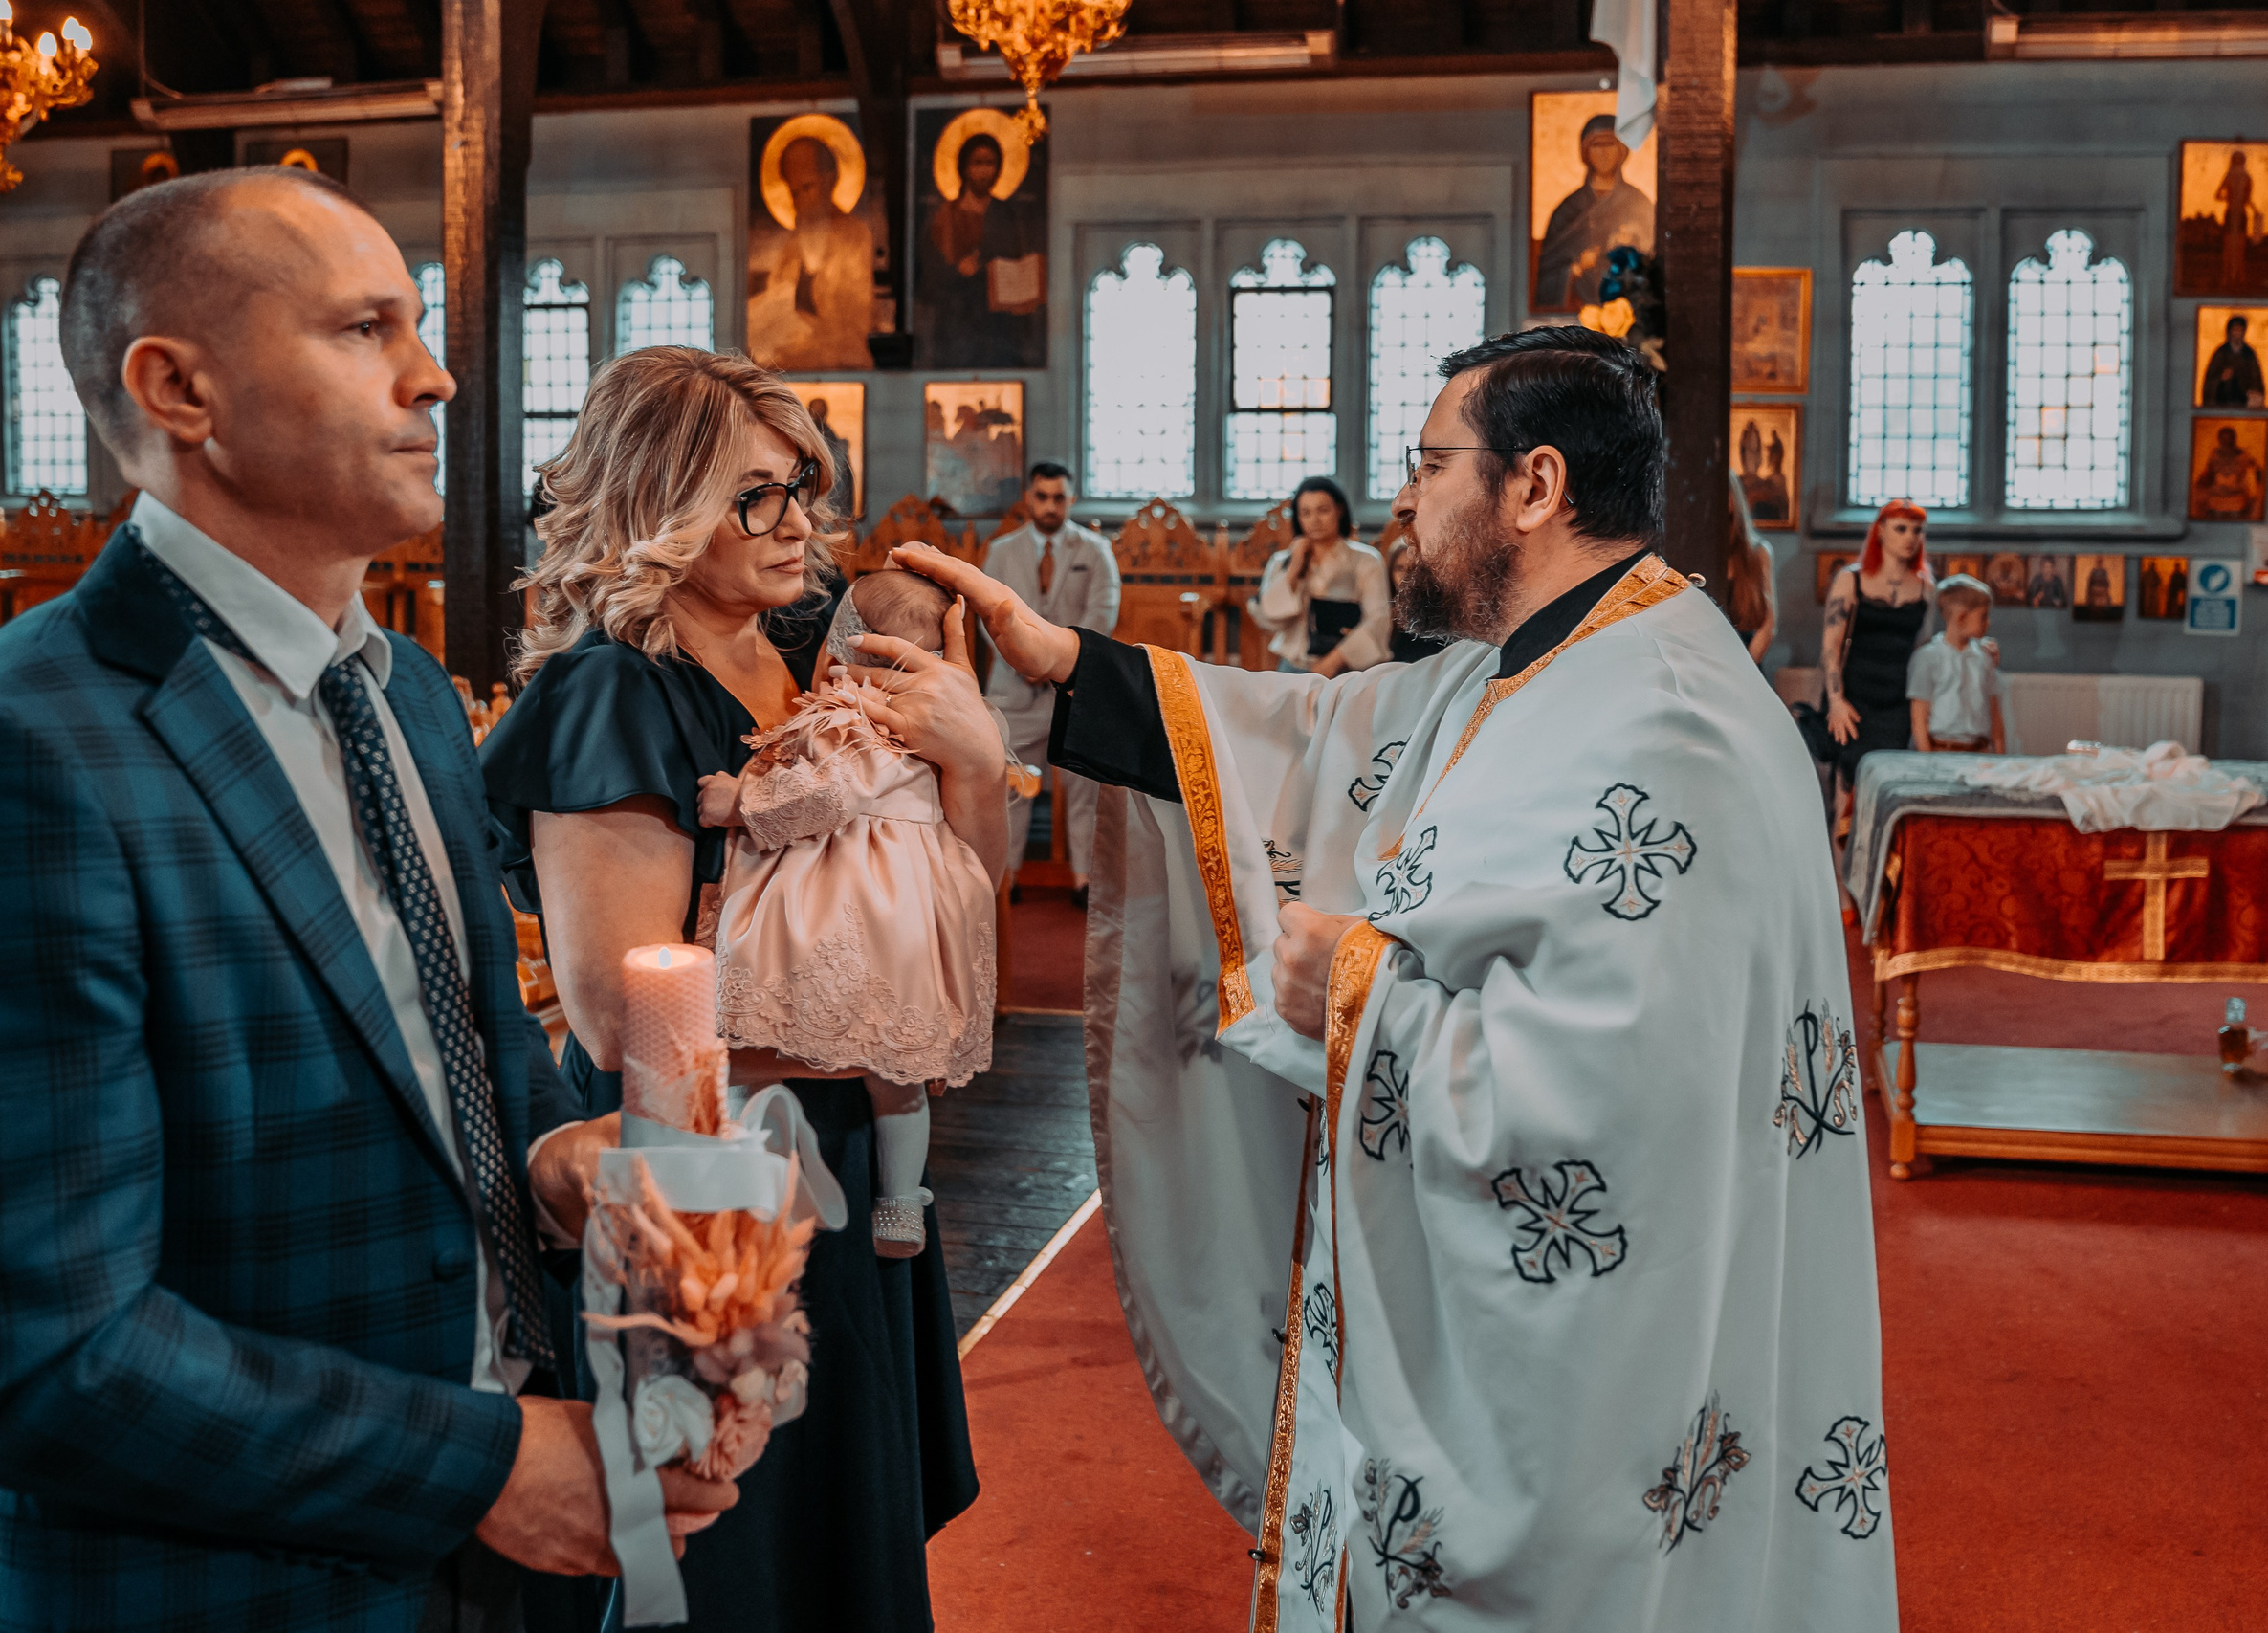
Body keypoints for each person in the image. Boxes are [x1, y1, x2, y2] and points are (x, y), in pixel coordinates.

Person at [0, 166, 739, 1629]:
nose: (434, 374)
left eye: (419, 326)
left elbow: (465, 1065)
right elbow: (23, 1359)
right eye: (367, 328)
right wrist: (485, 1463)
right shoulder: (1, 759)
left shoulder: (413, 700)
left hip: (464, 1572)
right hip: (185, 1584)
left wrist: (559, 1167)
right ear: (179, 388)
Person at [877, 326, 1895, 1632]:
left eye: (1430, 464)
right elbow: (1310, 736)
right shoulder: (1541, 659)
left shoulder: (1667, 719)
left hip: (1600, 1383)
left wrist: (1354, 990)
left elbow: (1616, 1096)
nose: (1404, 501)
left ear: (1534, 486)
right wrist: (1064, 662)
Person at [476, 345, 989, 1632]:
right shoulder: (615, 691)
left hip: (854, 1150)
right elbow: (619, 1012)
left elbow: (952, 883)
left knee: (840, 1541)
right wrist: (880, 1029)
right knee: (735, 1557)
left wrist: (976, 758)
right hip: (713, 1180)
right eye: (757, 494)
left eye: (803, 488)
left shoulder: (835, 655)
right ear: (659, 501)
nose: (798, 521)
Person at [697, 571, 1006, 1259]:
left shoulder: (854, 717)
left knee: (751, 1055)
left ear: (845, 647)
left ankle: (759, 1169)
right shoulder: (935, 719)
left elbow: (823, 795)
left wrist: (741, 801)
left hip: (852, 895)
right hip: (915, 911)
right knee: (896, 1077)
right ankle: (899, 1201)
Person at [980, 461, 1119, 900]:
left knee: (1084, 789)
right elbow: (988, 615)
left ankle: (1084, 880)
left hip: (1075, 689)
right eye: (1042, 496)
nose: (1051, 506)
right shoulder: (1002, 551)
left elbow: (1102, 613)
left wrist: (1057, 662)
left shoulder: (1095, 551)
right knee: (1008, 786)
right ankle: (1007, 876)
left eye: (1059, 497)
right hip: (1014, 688)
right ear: (1028, 497)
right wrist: (1024, 658)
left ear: (1071, 499)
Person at [1822, 500, 1934, 825]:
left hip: (1897, 704)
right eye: (1900, 528)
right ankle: (1840, 878)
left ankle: (1877, 875)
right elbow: (1830, 646)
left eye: (1917, 530)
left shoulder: (1927, 588)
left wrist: (1978, 648)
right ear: (1881, 531)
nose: (1909, 537)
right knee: (1847, 795)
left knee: (1887, 792)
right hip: (1853, 702)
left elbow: (1925, 651)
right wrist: (1835, 700)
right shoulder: (1850, 580)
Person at [747, 137, 875, 371]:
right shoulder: (791, 247)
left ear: (830, 180)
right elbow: (773, 310)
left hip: (842, 363)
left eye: (807, 187)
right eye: (793, 193)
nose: (799, 202)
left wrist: (811, 328)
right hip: (791, 366)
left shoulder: (855, 236)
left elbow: (857, 317)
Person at [920, 131, 1045, 369]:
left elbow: (1018, 261)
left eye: (990, 163)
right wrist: (958, 273)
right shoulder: (945, 218)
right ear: (964, 168)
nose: (985, 171)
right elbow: (930, 277)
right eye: (978, 163)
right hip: (958, 326)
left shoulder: (1007, 215)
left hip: (1001, 327)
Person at [1247, 475, 1391, 676]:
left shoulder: (1366, 560)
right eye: (1305, 512)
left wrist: (1332, 663)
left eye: (1323, 510)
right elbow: (1269, 618)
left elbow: (1378, 620)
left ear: (1339, 510)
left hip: (1347, 669)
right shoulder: (1282, 561)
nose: (1314, 520)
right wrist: (1295, 566)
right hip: (1293, 668)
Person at [1534, 114, 1655, 311]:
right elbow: (1547, 272)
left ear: (1622, 151)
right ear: (1585, 152)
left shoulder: (1637, 203)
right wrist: (1576, 268)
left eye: (1610, 144)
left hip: (1626, 313)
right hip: (1577, 318)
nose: (1603, 153)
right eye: (1596, 145)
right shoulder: (1568, 209)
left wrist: (1631, 245)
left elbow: (1653, 266)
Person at [1907, 574, 2005, 753]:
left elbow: (1994, 713)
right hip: (1941, 750)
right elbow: (1919, 719)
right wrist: (1927, 760)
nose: (1988, 622)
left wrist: (2000, 755)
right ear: (1961, 617)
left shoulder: (1985, 657)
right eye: (1983, 616)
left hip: (1979, 752)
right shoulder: (1928, 657)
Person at [1723, 478, 1777, 661]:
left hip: (1747, 658)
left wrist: (1745, 668)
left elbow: (1769, 623)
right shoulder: (1699, 552)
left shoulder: (1758, 552)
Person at [1385, 536, 1448, 664]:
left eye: (1413, 568)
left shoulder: (1441, 617)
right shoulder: (1382, 613)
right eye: (1400, 568)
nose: (1406, 576)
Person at [2193, 424, 2265, 519]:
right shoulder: (2214, 454)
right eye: (2223, 438)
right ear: (2219, 439)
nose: (2226, 441)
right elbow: (2208, 473)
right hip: (2216, 496)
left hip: (2237, 496)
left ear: (2234, 438)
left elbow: (2256, 468)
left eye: (2229, 438)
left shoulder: (2243, 455)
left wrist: (2258, 481)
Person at [805, 395, 855, 520]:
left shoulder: (836, 444)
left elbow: (846, 478)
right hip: (809, 503)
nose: (817, 414)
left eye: (819, 410)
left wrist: (847, 511)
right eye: (814, 410)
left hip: (833, 504)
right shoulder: (804, 438)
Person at [2200, 313, 2265, 408]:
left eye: (2240, 330)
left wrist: (2253, 391)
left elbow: (2257, 382)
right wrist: (2221, 378)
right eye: (2235, 330)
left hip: (2244, 403)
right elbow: (2209, 383)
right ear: (2229, 331)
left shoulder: (2249, 354)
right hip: (2222, 402)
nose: (2237, 333)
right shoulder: (2221, 353)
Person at [2218, 149, 2255, 294]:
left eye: (2240, 159)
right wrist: (2229, 198)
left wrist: (2255, 209)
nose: (2238, 162)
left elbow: (2247, 199)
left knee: (2240, 248)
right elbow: (2217, 195)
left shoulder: (2247, 178)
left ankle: (2240, 279)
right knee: (2228, 247)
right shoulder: (2229, 176)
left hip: (2241, 214)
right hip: (2231, 213)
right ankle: (2226, 278)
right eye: (2236, 159)